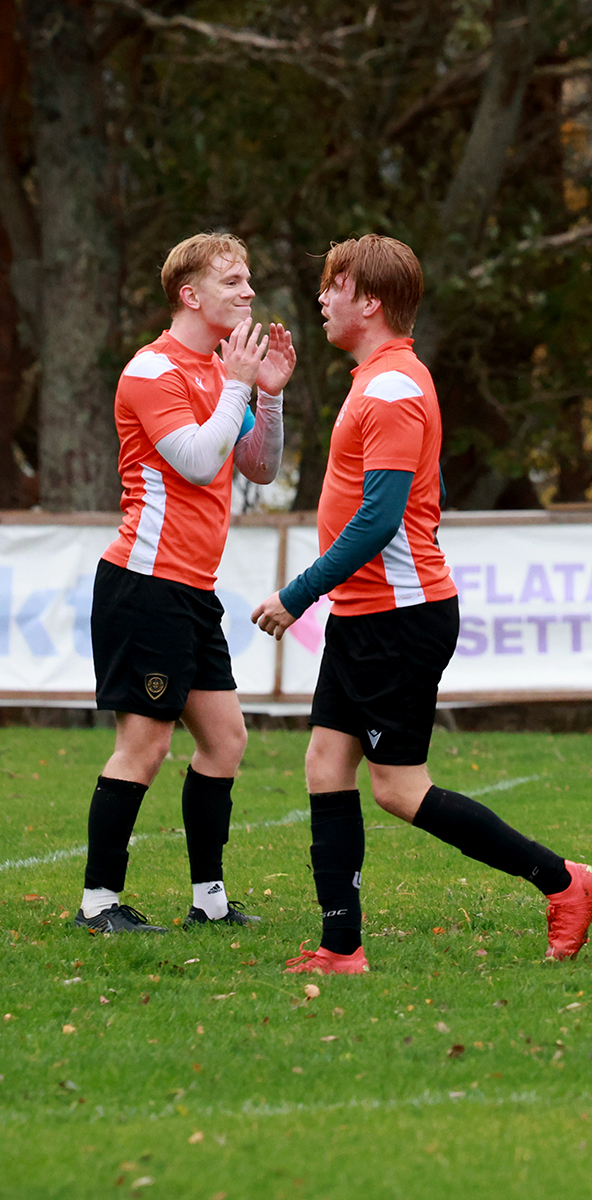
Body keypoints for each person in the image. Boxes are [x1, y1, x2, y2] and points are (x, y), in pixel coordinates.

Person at [249, 235, 592, 973]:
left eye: (335, 286)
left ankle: (565, 880)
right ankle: (340, 948)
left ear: (370, 301)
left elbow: (378, 522)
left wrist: (296, 595)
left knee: (400, 789)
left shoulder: (393, 387)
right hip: (366, 616)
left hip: (399, 617)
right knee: (325, 763)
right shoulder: (375, 378)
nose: (322, 298)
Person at [73, 232, 291, 934]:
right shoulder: (153, 371)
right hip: (145, 586)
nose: (249, 292)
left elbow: (256, 466)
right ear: (190, 294)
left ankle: (209, 903)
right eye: (233, 281)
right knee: (147, 744)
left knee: (225, 741)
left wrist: (268, 396)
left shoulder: (220, 368)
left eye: (249, 280)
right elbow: (198, 462)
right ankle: (98, 904)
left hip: (192, 591)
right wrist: (235, 388)